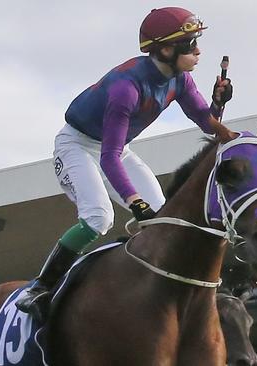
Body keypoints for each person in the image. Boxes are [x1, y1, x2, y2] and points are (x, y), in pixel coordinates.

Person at [16, 6, 236, 320]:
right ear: (165, 49)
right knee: (98, 217)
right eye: (191, 45)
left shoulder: (180, 80)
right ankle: (40, 286)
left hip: (115, 149)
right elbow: (108, 156)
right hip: (77, 145)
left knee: (164, 218)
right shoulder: (126, 88)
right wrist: (134, 201)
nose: (198, 51)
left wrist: (219, 105)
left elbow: (205, 120)